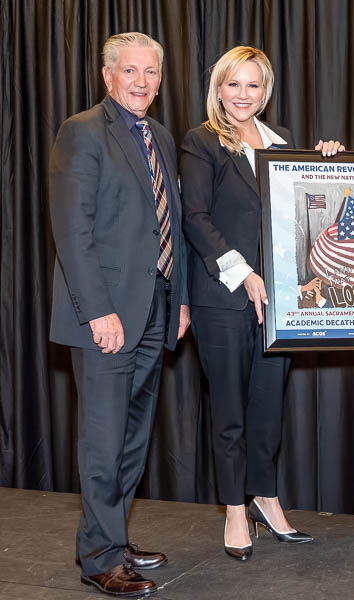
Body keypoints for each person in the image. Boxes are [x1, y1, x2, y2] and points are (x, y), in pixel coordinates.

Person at [180, 46, 343, 561]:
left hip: (279, 301)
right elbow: (195, 218)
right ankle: (234, 508)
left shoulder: (284, 142)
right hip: (224, 297)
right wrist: (244, 273)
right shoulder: (201, 141)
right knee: (229, 409)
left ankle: (266, 497)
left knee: (268, 408)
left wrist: (327, 164)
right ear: (218, 89)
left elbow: (302, 211)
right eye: (233, 84)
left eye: (252, 85)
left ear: (265, 91)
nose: (242, 95)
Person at [49, 32, 190, 596]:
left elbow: (170, 226)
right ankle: (98, 558)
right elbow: (72, 232)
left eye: (150, 72)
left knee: (134, 437)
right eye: (129, 71)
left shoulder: (159, 135)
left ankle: (115, 537)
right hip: (105, 317)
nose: (140, 81)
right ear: (108, 76)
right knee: (104, 443)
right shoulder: (82, 131)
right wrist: (97, 312)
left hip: (154, 310)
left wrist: (177, 300)